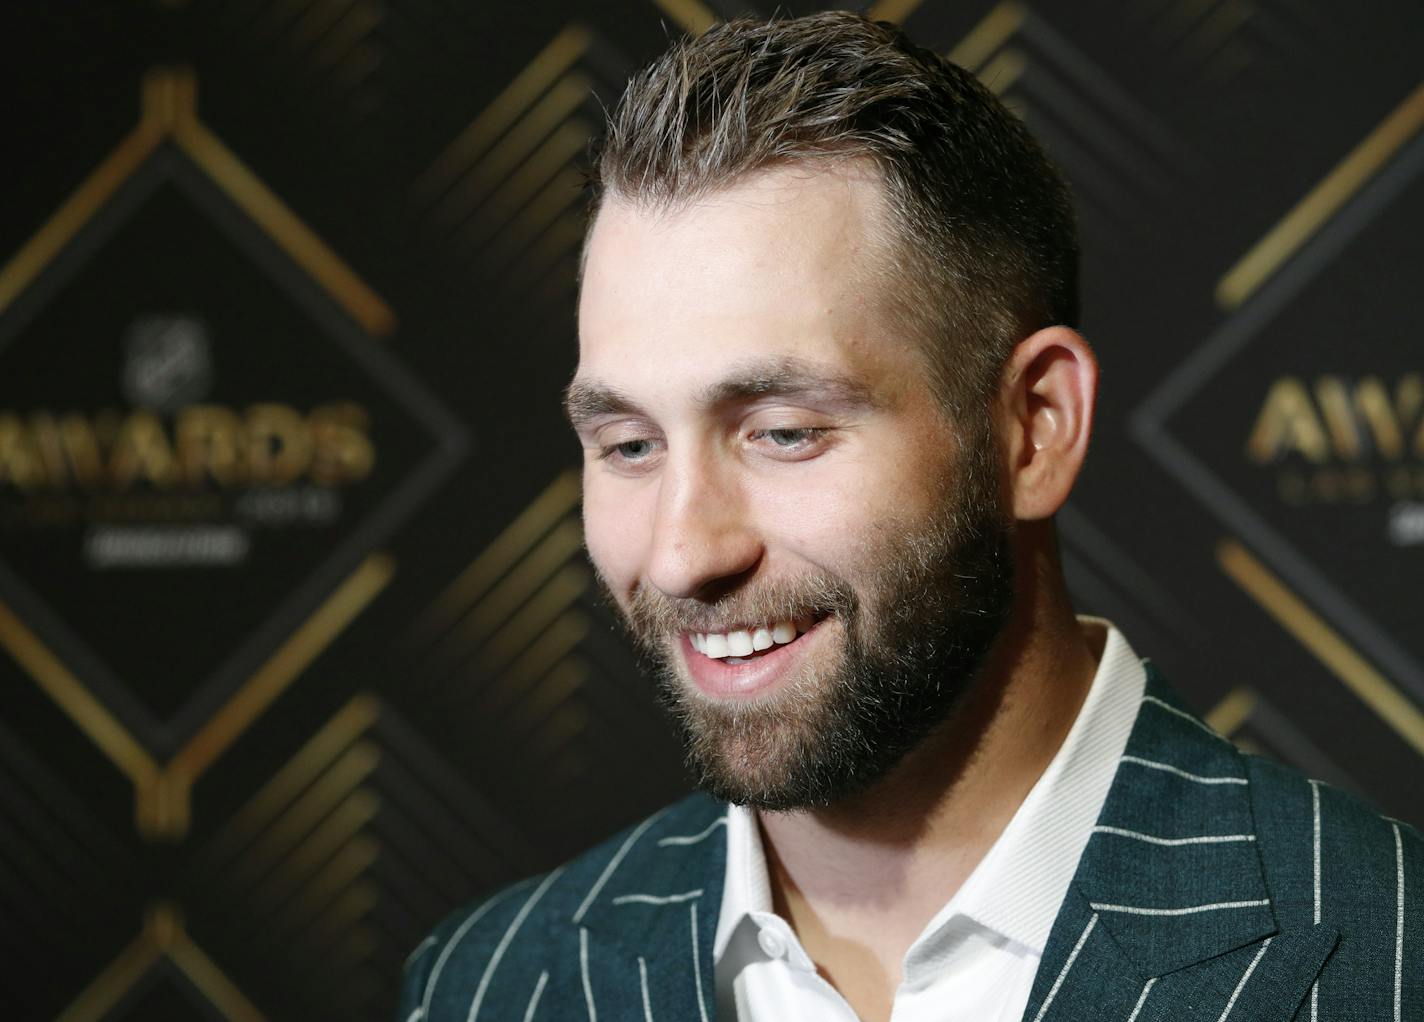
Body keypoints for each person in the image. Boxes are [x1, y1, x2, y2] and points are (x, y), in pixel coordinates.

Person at [400, 12, 1420, 1022]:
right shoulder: (487, 984)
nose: (679, 553)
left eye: (784, 431)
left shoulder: (1391, 955)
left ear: (1033, 425)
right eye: (628, 445)